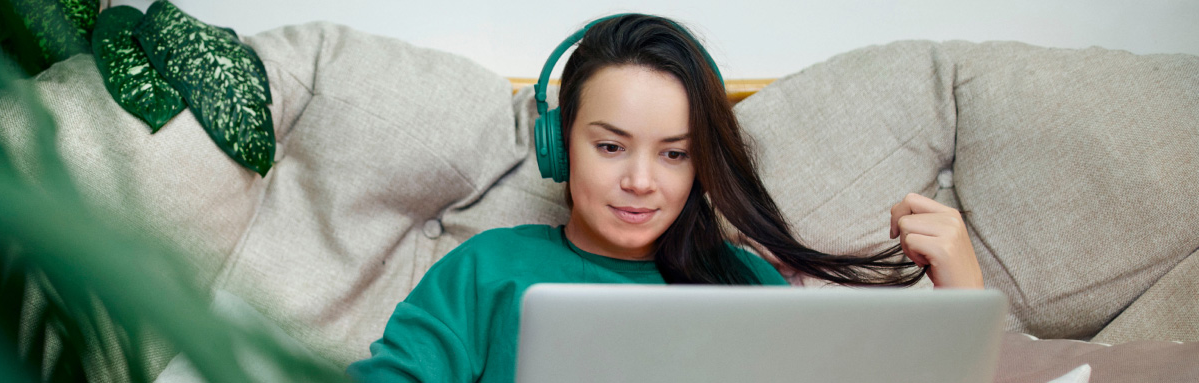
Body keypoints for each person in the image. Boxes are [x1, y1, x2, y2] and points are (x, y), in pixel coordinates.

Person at [345, 13, 984, 383]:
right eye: (612, 147)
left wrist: (962, 288)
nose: (643, 181)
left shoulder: (747, 285)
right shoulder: (484, 270)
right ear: (559, 144)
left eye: (674, 154)